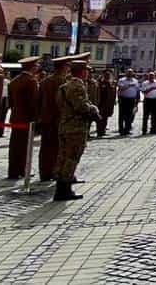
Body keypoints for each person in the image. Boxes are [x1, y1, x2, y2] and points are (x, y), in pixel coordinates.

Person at [54, 54, 99, 201]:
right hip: (75, 128)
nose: (88, 73)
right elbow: (81, 106)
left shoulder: (65, 85)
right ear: (82, 71)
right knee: (71, 157)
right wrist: (93, 110)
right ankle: (64, 190)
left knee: (63, 156)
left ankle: (61, 186)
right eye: (86, 70)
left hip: (65, 125)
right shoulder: (77, 85)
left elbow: (60, 105)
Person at [7, 56, 41, 179]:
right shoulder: (31, 81)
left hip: (16, 117)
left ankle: (13, 170)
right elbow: (34, 102)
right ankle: (21, 170)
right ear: (32, 67)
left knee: (15, 145)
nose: (38, 67)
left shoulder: (14, 81)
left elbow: (10, 102)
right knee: (24, 146)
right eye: (36, 65)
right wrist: (37, 118)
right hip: (27, 118)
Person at [38, 55, 69, 182]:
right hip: (59, 119)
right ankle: (54, 171)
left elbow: (39, 100)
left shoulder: (45, 81)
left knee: (45, 147)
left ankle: (44, 172)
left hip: (46, 118)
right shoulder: (63, 82)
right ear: (63, 67)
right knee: (58, 148)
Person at [116, 69, 139, 135]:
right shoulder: (122, 80)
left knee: (129, 115)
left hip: (131, 99)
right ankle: (121, 129)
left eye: (131, 72)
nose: (129, 74)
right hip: (123, 99)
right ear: (126, 73)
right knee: (121, 115)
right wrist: (129, 86)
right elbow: (120, 88)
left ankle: (127, 129)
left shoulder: (135, 81)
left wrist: (137, 99)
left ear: (132, 74)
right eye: (128, 72)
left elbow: (137, 90)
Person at [96, 70, 115, 137]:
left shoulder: (111, 83)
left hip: (109, 104)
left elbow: (113, 93)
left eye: (108, 75)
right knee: (100, 118)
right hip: (101, 103)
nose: (107, 76)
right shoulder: (101, 83)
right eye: (106, 75)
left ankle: (103, 130)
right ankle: (99, 131)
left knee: (106, 118)